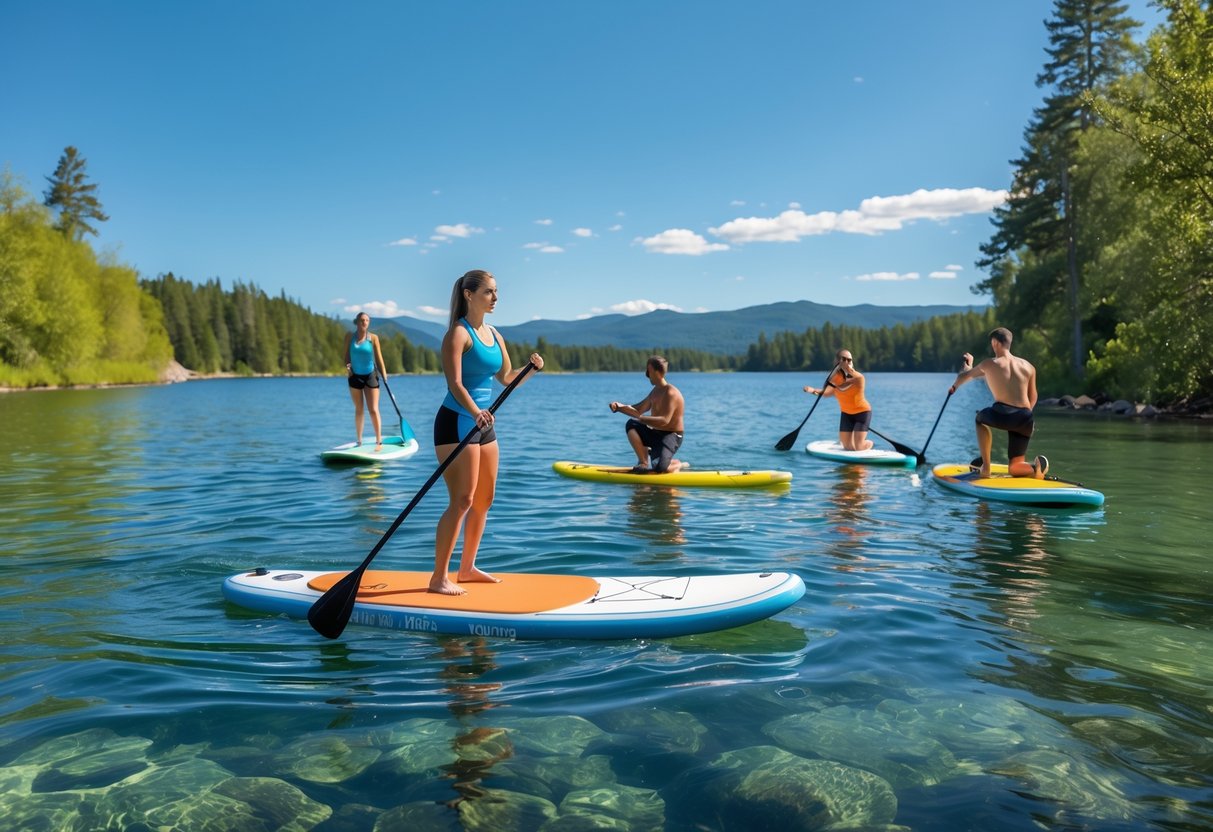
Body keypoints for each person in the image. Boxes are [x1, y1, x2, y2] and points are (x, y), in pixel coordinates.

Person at [431, 269, 543, 596]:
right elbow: (454, 382)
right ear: (469, 294)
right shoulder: (458, 334)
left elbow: (507, 378)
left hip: (484, 424)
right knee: (462, 499)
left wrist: (531, 369)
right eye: (489, 292)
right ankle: (439, 577)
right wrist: (474, 411)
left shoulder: (494, 334)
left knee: (484, 499)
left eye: (496, 292)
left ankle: (466, 569)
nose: (495, 298)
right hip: (456, 421)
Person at [950, 326, 1048, 479]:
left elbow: (965, 376)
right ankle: (1036, 468)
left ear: (995, 342)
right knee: (1015, 467)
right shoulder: (1029, 367)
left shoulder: (990, 364)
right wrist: (1027, 416)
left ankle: (986, 467)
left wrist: (958, 381)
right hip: (1025, 418)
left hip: (1004, 414)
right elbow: (1033, 396)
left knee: (979, 419)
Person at [608, 356, 686, 474]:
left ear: (656, 372)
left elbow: (665, 420)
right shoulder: (655, 391)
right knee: (632, 424)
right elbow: (638, 410)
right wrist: (619, 407)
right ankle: (643, 463)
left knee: (659, 468)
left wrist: (641, 418)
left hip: (671, 436)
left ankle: (677, 464)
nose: (646, 374)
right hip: (655, 433)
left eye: (648, 371)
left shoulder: (671, 393)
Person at [803, 349, 873, 451]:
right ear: (837, 362)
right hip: (846, 414)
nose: (848, 362)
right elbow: (827, 393)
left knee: (859, 447)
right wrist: (812, 390)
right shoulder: (835, 379)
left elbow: (841, 387)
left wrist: (836, 379)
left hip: (862, 413)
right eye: (844, 359)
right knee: (847, 447)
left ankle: (868, 444)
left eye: (850, 360)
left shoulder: (859, 378)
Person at [343, 311, 387, 450]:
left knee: (373, 409)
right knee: (359, 409)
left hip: (370, 375)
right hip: (354, 376)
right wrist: (348, 368)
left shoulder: (373, 338)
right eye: (362, 320)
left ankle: (379, 441)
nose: (364, 322)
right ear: (357, 322)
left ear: (369, 323)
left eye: (367, 320)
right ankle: (359, 440)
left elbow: (379, 358)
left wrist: (384, 375)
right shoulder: (349, 336)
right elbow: (346, 356)